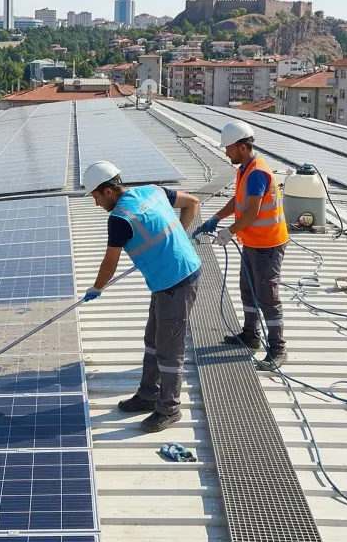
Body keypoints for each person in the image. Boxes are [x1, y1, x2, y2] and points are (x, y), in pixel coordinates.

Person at [83, 160, 201, 433]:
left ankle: (169, 408)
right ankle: (148, 394)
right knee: (153, 339)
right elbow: (192, 202)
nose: (96, 204)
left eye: (96, 197)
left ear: (108, 191)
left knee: (170, 349)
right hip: (165, 280)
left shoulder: (120, 218)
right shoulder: (151, 191)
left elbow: (109, 264)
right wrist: (178, 238)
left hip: (178, 281)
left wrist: (96, 288)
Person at [199, 120, 290, 369]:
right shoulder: (244, 170)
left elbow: (251, 212)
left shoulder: (258, 172)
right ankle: (250, 335)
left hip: (268, 245)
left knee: (268, 298)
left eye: (227, 148)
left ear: (241, 147)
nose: (225, 152)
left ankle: (278, 348)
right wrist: (217, 217)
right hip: (253, 243)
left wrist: (228, 232)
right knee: (248, 290)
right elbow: (238, 202)